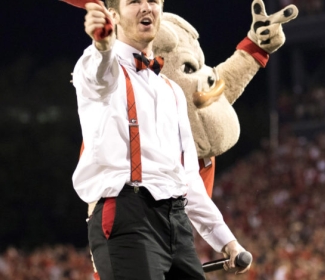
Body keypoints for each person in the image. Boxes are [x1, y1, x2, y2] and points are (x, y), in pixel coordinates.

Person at [70, 0, 251, 279]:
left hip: (175, 219)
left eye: (153, 1)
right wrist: (103, 46)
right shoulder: (95, 66)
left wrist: (225, 240)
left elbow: (188, 178)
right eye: (134, 2)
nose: (146, 7)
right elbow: (100, 76)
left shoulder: (172, 91)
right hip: (125, 213)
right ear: (114, 15)